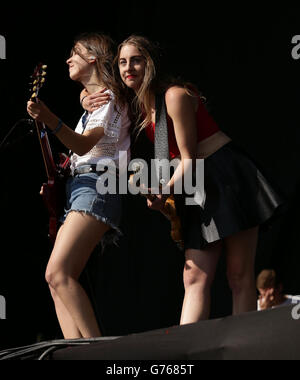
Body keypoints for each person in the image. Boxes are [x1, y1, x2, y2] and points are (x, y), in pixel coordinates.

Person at [82, 35, 284, 325]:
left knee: (239, 275)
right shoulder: (140, 105)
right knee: (194, 275)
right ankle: (187, 351)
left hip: (225, 176)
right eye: (123, 62)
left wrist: (163, 191)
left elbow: (189, 159)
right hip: (196, 183)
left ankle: (245, 348)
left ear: (150, 63)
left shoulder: (174, 95)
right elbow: (101, 92)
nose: (129, 68)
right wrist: (84, 97)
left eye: (136, 60)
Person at [27, 32, 131, 339]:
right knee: (56, 279)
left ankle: (99, 352)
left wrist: (49, 118)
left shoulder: (110, 98)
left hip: (97, 184)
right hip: (82, 185)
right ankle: (78, 351)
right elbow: (80, 151)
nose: (68, 58)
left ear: (93, 59)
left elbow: (85, 146)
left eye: (76, 52)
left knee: (58, 273)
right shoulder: (92, 102)